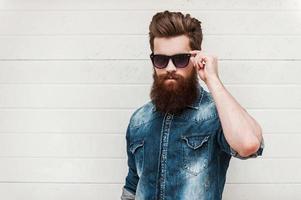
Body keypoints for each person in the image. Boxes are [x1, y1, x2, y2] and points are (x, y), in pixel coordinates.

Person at [121, 10, 264, 200]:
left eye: (180, 59)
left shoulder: (216, 113)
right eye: (161, 60)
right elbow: (132, 186)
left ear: (195, 58)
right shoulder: (139, 120)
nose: (170, 68)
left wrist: (212, 78)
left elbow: (249, 144)